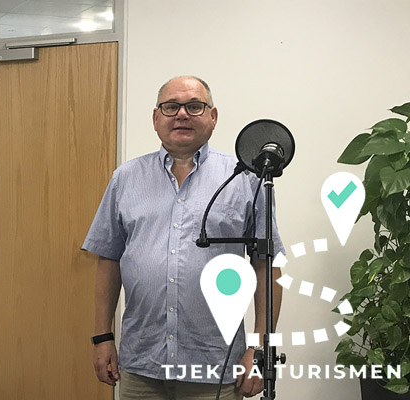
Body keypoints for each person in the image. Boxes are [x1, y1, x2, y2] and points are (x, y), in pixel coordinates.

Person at [82, 76, 284, 399]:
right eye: (171, 106)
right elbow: (109, 259)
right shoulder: (125, 179)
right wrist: (102, 336)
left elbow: (267, 265)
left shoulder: (245, 178)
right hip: (141, 365)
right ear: (155, 118)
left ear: (213, 117)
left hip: (215, 367)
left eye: (194, 106)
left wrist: (259, 348)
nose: (181, 114)